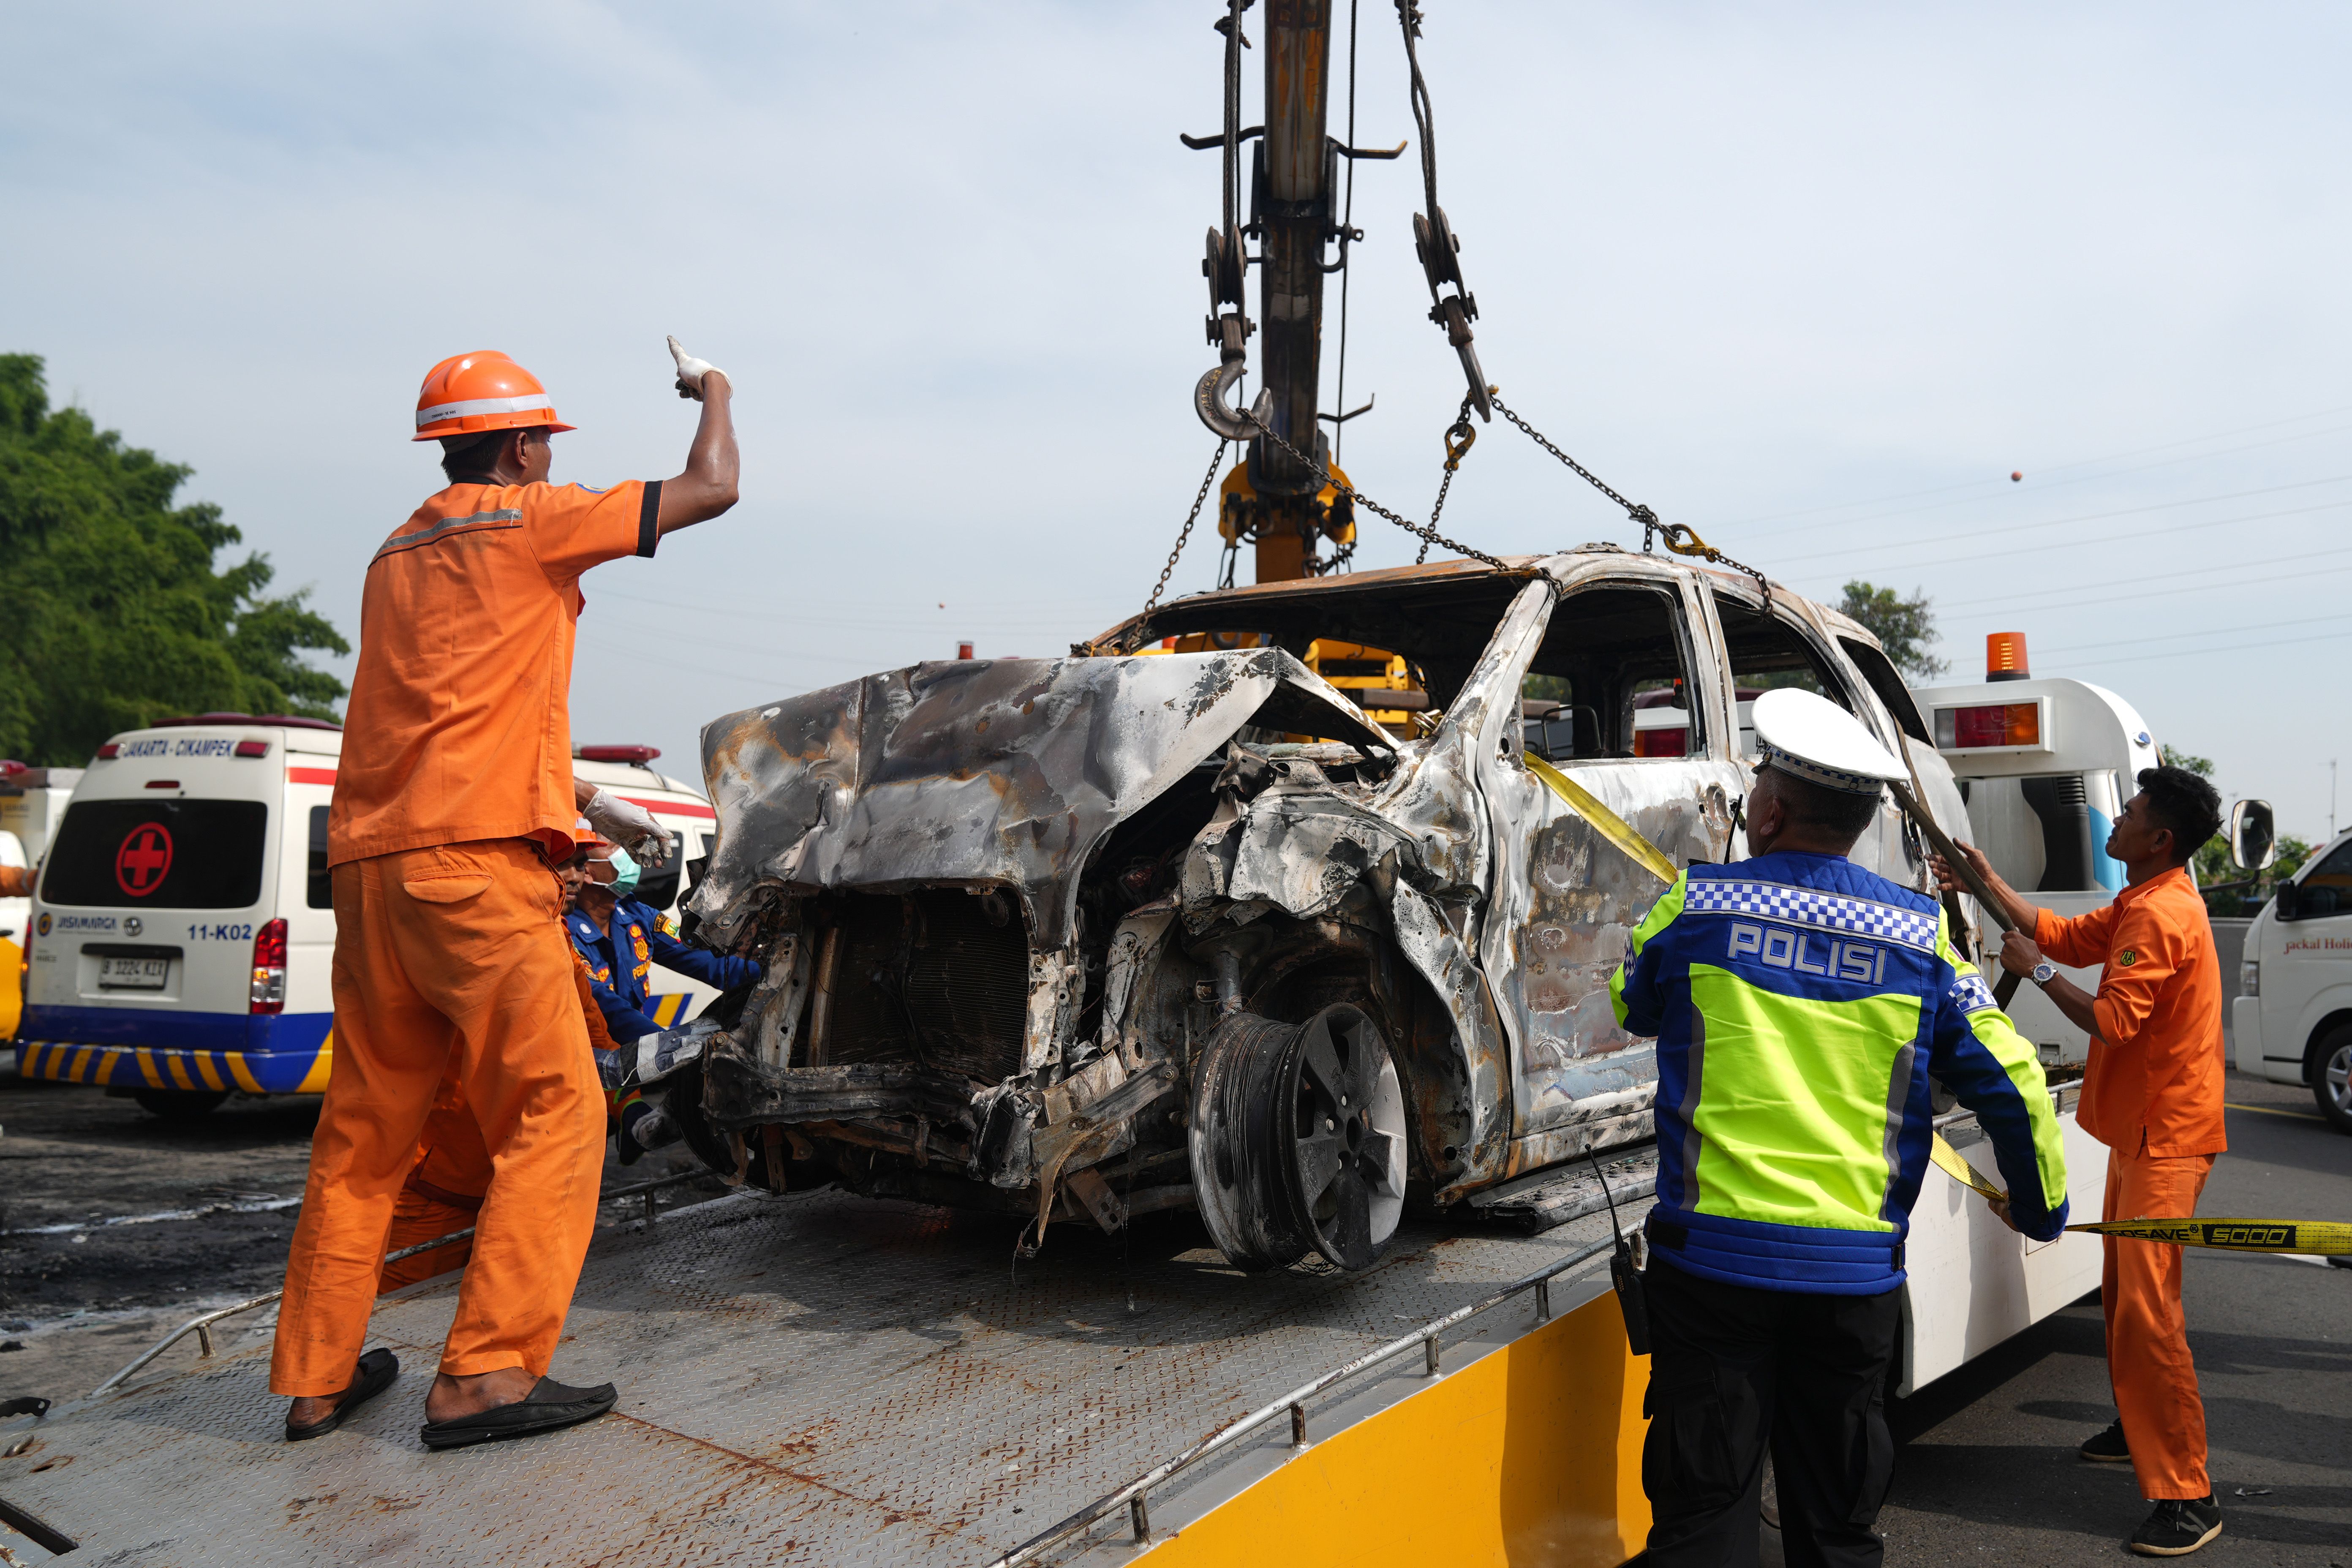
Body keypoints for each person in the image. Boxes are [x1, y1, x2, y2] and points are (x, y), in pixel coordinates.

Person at [271, 338, 739, 1450]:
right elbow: (713, 486)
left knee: (365, 1132)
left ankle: (316, 1379)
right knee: (559, 1110)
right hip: (474, 875)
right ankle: (484, 1376)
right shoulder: (533, 522)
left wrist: (567, 796)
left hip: (376, 869)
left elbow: (448, 711)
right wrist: (713, 389)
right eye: (544, 440)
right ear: (525, 444)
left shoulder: (395, 555)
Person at [1614, 688, 2071, 1568]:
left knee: (1703, 1516)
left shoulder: (1695, 904)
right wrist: (2041, 1207)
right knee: (1836, 1520)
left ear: (1772, 810)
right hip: (1850, 1277)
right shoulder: (1917, 932)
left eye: (1757, 791)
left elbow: (1630, 1000)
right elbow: (2012, 1076)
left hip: (1710, 1268)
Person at [1934, 764, 2227, 1557]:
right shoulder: (2141, 899)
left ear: (2157, 839)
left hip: (2166, 1139)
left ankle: (2186, 1494)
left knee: (2147, 1312)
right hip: (2148, 1132)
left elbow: (2110, 1020)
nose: (2118, 818)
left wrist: (2032, 970)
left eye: (2129, 812)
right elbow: (2059, 932)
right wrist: (1982, 876)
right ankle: (2139, 1428)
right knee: (2127, 1298)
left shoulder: (2161, 915)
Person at [566, 838, 761, 1159]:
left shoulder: (635, 913)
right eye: (614, 849)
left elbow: (705, 963)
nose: (627, 857)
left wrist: (764, 972)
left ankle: (631, 1127)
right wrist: (668, 1045)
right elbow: (604, 1005)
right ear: (587, 872)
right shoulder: (565, 931)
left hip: (626, 1053)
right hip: (586, 1054)